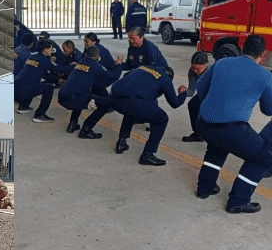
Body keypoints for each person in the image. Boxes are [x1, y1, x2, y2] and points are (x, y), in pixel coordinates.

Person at [193, 35, 272, 213]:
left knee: (217, 144)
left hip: (203, 124)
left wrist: (217, 107)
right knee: (265, 158)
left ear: (242, 47)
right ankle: (238, 200)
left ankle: (205, 188)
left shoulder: (221, 63)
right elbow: (268, 110)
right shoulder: (265, 75)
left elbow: (201, 87)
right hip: (231, 129)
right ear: (263, 54)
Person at [111, 66, 187, 166]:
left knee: (131, 110)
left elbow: (126, 75)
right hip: (133, 102)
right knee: (162, 118)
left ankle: (121, 143)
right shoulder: (165, 78)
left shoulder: (144, 68)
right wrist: (183, 94)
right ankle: (148, 155)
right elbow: (175, 103)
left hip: (113, 99)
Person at [57, 46, 123, 137]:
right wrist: (119, 64)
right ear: (97, 56)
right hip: (72, 100)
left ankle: (73, 124)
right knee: (106, 104)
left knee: (83, 92)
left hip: (61, 96)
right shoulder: (95, 66)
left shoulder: (80, 62)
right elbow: (114, 76)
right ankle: (86, 129)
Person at [14, 39, 72, 123]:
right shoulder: (44, 60)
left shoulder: (32, 57)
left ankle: (23, 106)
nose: (52, 51)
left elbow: (44, 74)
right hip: (23, 92)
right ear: (45, 50)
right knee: (48, 88)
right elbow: (61, 68)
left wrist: (57, 80)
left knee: (33, 82)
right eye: (50, 49)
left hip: (16, 90)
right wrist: (76, 66)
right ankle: (39, 114)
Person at [82, 32, 122, 99]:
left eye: (87, 42)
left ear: (93, 42)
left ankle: (108, 102)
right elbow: (83, 58)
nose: (85, 44)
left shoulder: (100, 50)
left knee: (97, 84)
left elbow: (99, 67)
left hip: (109, 73)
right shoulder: (88, 48)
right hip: (101, 72)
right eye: (84, 41)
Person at [182, 52, 209, 143]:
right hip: (203, 93)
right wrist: (183, 92)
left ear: (205, 65)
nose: (195, 71)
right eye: (193, 68)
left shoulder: (212, 71)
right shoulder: (192, 71)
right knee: (192, 104)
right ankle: (198, 134)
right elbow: (191, 91)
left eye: (198, 69)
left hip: (215, 94)